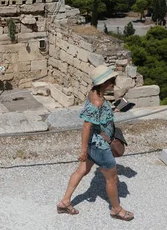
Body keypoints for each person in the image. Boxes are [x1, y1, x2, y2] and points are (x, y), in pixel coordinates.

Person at [57, 65, 134, 221]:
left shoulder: (94, 93)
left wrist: (112, 110)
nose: (114, 82)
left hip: (94, 143)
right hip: (100, 146)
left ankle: (64, 202)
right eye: (112, 80)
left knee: (82, 171)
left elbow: (97, 118)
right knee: (112, 178)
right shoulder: (97, 101)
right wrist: (83, 150)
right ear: (104, 82)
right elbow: (86, 126)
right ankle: (116, 209)